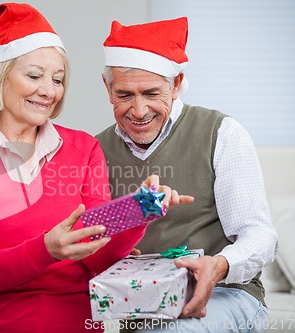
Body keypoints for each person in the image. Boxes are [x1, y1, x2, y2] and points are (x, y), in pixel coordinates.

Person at [0, 4, 192, 333]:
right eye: (34, 76)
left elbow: (97, 256)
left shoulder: (83, 149)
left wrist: (139, 212)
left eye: (58, 79)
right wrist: (46, 250)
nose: (49, 91)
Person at [96, 17, 279, 332]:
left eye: (152, 93)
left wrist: (218, 266)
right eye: (124, 95)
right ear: (108, 87)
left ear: (176, 83)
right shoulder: (95, 150)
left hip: (226, 295)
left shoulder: (220, 133)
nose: (139, 111)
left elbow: (259, 235)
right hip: (142, 307)